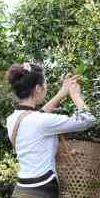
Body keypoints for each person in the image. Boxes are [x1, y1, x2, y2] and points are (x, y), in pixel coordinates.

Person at [6, 63, 96, 197]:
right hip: (42, 191)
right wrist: (75, 95)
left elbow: (37, 117)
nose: (46, 87)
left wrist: (61, 93)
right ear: (37, 88)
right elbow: (88, 119)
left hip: (21, 189)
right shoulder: (41, 121)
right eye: (45, 84)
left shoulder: (12, 119)